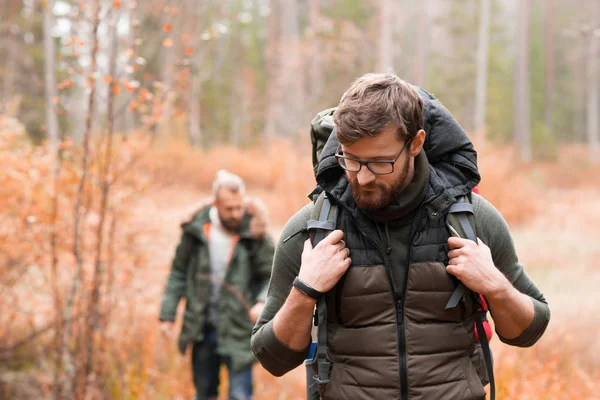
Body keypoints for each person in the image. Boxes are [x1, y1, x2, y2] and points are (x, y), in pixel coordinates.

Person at [251, 73, 550, 399]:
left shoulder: (473, 219)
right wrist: (304, 291)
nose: (362, 178)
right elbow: (273, 359)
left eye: (380, 162)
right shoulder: (312, 229)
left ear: (416, 143)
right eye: (351, 159)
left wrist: (495, 286)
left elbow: (528, 332)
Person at [160, 169, 275, 400]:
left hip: (240, 329)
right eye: (229, 209)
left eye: (239, 207)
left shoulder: (255, 233)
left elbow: (272, 275)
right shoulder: (196, 231)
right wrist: (167, 315)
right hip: (202, 329)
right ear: (215, 205)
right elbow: (178, 273)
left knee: (240, 395)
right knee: (204, 394)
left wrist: (263, 301)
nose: (235, 214)